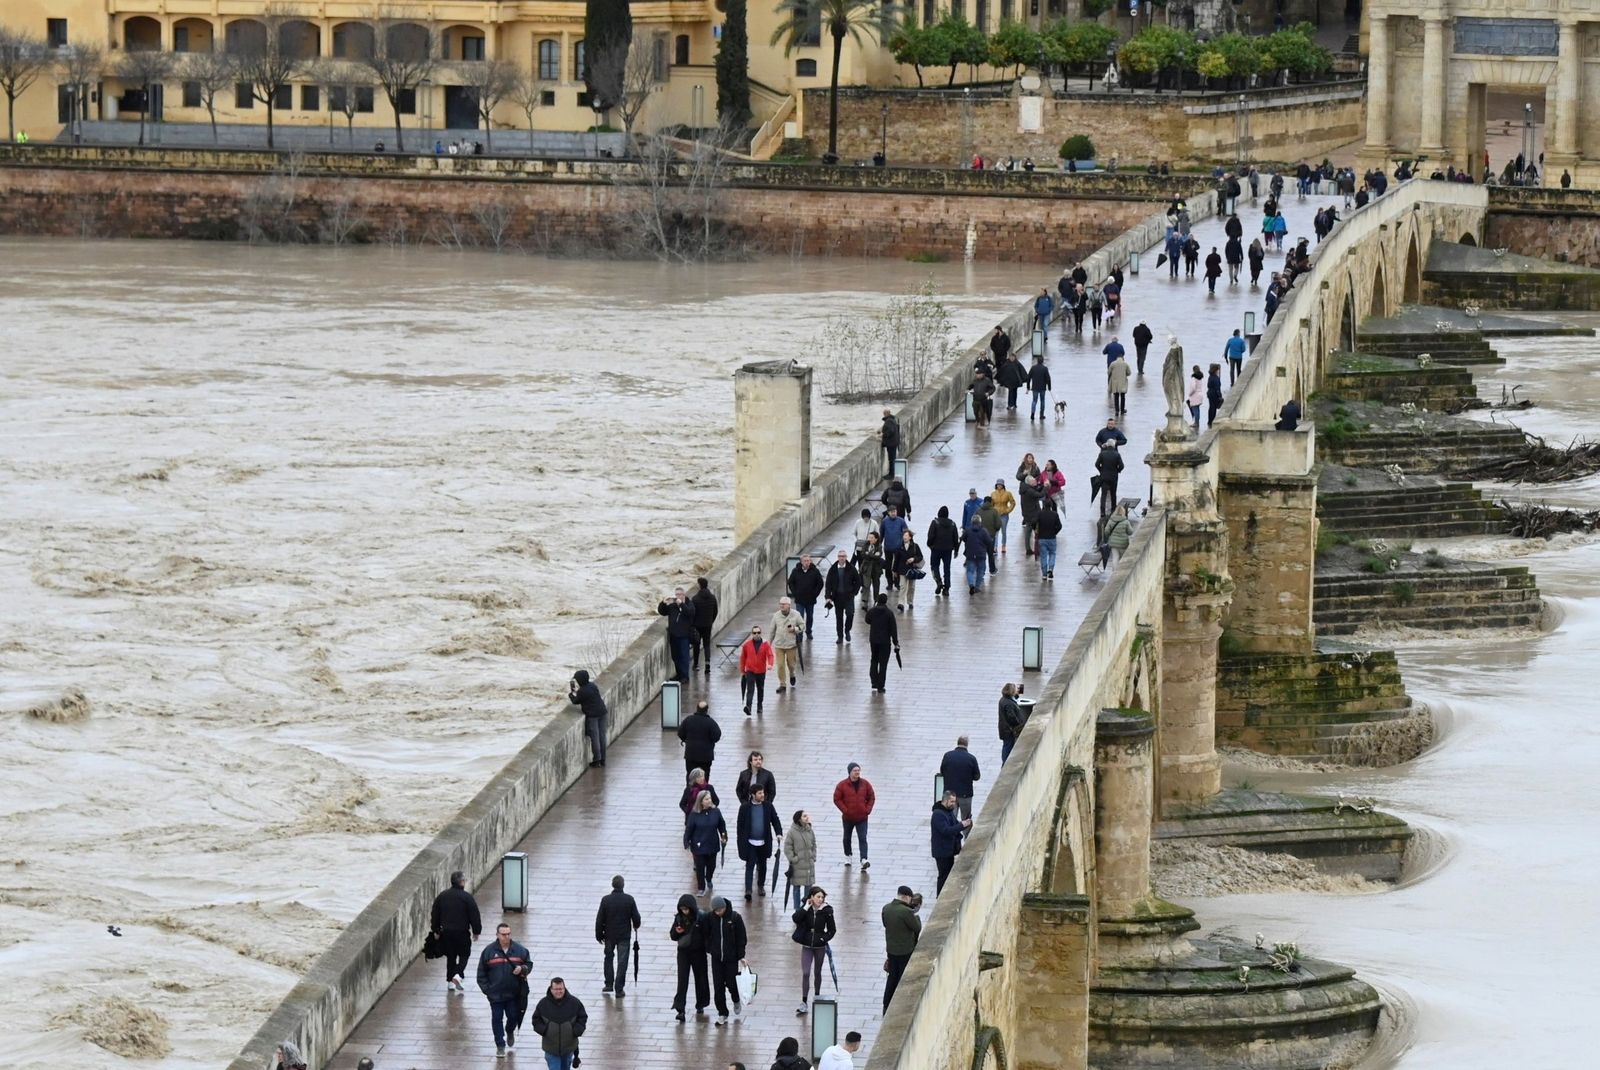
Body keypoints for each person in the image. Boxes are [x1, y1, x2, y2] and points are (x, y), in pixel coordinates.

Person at [477, 922, 532, 1058]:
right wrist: (488, 990)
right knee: (497, 1018)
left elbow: (528, 964)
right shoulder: (489, 951)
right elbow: (481, 973)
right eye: (503, 934)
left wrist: (523, 969)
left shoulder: (520, 950)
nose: (506, 937)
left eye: (508, 934)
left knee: (513, 1016)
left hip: (513, 994)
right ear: (497, 935)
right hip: (495, 995)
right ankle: (500, 1044)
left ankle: (510, 1030)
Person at [431, 870, 482, 994]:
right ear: (462, 882)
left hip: (446, 933)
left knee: (451, 956)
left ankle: (450, 982)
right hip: (462, 933)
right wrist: (476, 931)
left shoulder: (442, 896)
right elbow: (474, 915)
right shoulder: (467, 898)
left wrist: (436, 929)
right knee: (464, 954)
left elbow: (435, 914)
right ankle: (458, 975)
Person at [700, 896, 749, 1025]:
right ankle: (722, 1012)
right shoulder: (710, 918)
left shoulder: (735, 918)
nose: (718, 913)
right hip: (717, 959)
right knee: (718, 987)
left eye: (720, 910)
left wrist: (741, 956)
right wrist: (709, 948)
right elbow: (704, 931)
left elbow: (741, 938)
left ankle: (736, 998)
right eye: (716, 911)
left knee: (732, 983)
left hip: (731, 959)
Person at [791, 885, 837, 1016]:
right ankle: (804, 1001)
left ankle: (817, 996)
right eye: (818, 897)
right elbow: (796, 918)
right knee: (805, 972)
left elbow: (832, 929)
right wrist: (806, 907)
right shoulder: (806, 909)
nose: (820, 899)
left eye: (822, 897)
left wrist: (823, 939)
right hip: (806, 944)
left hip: (819, 946)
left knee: (817, 972)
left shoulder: (827, 910)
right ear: (811, 897)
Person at [595, 876, 641, 998]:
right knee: (622, 962)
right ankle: (619, 989)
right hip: (624, 936)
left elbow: (600, 919)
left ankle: (609, 983)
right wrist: (636, 925)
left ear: (612, 885)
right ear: (623, 885)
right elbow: (636, 918)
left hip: (609, 935)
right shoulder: (629, 899)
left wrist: (598, 934)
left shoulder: (606, 900)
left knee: (608, 958)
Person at [737, 785, 784, 902]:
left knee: (762, 866)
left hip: (764, 843)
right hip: (750, 843)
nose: (762, 795)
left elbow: (775, 820)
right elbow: (740, 826)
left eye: (763, 793)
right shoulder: (745, 807)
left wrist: (779, 833)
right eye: (759, 793)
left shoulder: (768, 806)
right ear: (753, 795)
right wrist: (741, 841)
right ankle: (748, 890)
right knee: (750, 865)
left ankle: (760, 886)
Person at [881, 886, 923, 1011]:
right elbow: (917, 928)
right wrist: (916, 917)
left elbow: (885, 924)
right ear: (907, 897)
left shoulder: (886, 908)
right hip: (905, 950)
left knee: (892, 977)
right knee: (902, 977)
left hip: (891, 950)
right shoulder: (906, 912)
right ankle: (899, 1004)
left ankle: (886, 1003)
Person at [530, 977, 586, 1069]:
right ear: (551, 989)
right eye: (556, 989)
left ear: (564, 988)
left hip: (568, 1047)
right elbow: (536, 1020)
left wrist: (576, 1030)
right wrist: (545, 1030)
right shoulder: (543, 1004)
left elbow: (582, 1017)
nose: (558, 991)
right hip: (551, 1048)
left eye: (561, 989)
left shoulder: (574, 1003)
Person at [669, 893, 709, 1022]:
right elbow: (672, 935)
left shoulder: (701, 917)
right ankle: (680, 1009)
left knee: (701, 978)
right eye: (682, 909)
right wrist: (677, 931)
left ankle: (701, 1004)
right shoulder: (678, 918)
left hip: (699, 952)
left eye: (686, 909)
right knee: (682, 980)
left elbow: (707, 933)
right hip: (683, 953)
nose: (684, 911)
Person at [684, 790, 727, 896]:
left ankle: (709, 878)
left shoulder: (716, 812)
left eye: (710, 799)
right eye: (706, 799)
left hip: (712, 844)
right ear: (701, 801)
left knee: (711, 866)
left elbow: (721, 825)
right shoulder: (694, 815)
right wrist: (686, 841)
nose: (709, 801)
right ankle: (701, 888)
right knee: (700, 867)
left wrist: (723, 835)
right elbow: (689, 829)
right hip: (699, 845)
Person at [833, 763, 875, 868]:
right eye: (855, 770)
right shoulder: (842, 785)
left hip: (862, 817)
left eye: (858, 770)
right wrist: (845, 810)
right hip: (848, 818)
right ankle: (848, 855)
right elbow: (837, 799)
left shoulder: (865, 784)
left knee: (862, 838)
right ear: (850, 772)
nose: (857, 772)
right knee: (847, 838)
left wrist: (867, 810)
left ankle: (864, 859)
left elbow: (871, 797)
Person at [931, 791, 970, 895]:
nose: (954, 804)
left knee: (947, 874)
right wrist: (962, 825)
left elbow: (954, 824)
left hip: (948, 850)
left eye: (954, 801)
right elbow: (946, 831)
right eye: (952, 801)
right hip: (942, 852)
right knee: (943, 875)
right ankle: (940, 896)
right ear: (946, 800)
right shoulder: (938, 814)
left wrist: (964, 824)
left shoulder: (948, 811)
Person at [568, 670, 608, 769]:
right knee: (602, 737)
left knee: (595, 738)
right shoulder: (592, 686)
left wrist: (571, 695)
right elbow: (587, 695)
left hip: (593, 716)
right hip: (602, 712)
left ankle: (596, 760)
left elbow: (576, 701)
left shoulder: (582, 691)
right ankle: (603, 760)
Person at [657, 588, 696, 683]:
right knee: (675, 657)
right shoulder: (673, 606)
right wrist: (663, 603)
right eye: (676, 594)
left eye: (679, 594)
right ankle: (679, 675)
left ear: (684, 595)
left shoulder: (689, 604)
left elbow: (689, 613)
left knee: (684, 657)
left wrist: (681, 604)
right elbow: (662, 612)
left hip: (684, 636)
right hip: (674, 636)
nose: (678, 596)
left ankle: (685, 676)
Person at [939, 735, 981, 822]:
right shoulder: (971, 758)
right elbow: (977, 776)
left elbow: (942, 771)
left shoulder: (947, 756)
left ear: (957, 743)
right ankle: (967, 835)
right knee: (966, 819)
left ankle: (952, 834)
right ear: (967, 744)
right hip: (965, 794)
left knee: (950, 818)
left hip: (949, 793)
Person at [822, 549, 861, 643]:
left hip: (848, 597)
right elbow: (828, 584)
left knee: (850, 614)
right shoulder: (833, 569)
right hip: (837, 597)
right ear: (838, 557)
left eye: (843, 556)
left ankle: (847, 630)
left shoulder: (851, 568)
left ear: (846, 557)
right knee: (839, 618)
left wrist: (854, 592)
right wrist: (828, 597)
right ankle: (840, 636)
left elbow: (858, 581)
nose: (842, 558)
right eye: (840, 556)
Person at [677, 699, 722, 780]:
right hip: (705, 756)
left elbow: (680, 732)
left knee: (690, 775)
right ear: (706, 710)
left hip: (691, 754)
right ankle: (702, 791)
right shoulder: (710, 722)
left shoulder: (688, 720)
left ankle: (690, 791)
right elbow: (717, 736)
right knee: (704, 776)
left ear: (697, 709)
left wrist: (685, 739)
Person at [863, 592, 899, 693]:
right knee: (883, 664)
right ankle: (880, 686)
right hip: (885, 642)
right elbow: (893, 629)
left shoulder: (872, 611)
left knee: (874, 660)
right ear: (886, 601)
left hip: (873, 640)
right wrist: (896, 642)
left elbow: (867, 620)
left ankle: (874, 681)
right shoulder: (889, 613)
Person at [783, 810, 817, 911]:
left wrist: (813, 856)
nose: (807, 818)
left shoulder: (809, 829)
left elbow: (814, 843)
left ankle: (806, 907)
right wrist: (794, 859)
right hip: (798, 865)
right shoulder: (792, 832)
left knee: (808, 887)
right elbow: (787, 847)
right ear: (799, 819)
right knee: (796, 888)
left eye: (807, 816)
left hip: (808, 864)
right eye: (804, 816)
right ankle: (797, 909)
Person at [738, 625, 774, 715]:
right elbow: (743, 658)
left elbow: (770, 655)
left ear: (760, 633)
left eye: (758, 632)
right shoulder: (747, 645)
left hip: (761, 671)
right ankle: (748, 707)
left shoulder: (765, 644)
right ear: (752, 634)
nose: (756, 634)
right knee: (750, 689)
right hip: (750, 671)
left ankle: (759, 706)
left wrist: (770, 664)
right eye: (754, 633)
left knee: (760, 689)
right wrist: (743, 671)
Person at [769, 597, 803, 692]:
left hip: (791, 645)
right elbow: (772, 631)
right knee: (780, 665)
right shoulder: (776, 616)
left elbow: (802, 626)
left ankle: (792, 674)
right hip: (779, 645)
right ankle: (782, 684)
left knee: (791, 665)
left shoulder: (796, 615)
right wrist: (768, 643)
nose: (781, 606)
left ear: (789, 605)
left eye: (784, 604)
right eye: (780, 604)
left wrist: (795, 629)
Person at [925, 505, 959, 596]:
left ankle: (938, 582)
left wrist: (929, 545)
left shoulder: (935, 522)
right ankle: (947, 588)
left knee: (934, 566)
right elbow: (956, 538)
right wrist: (956, 550)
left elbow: (930, 536)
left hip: (936, 549)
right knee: (947, 569)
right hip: (948, 550)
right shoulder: (952, 524)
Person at [691, 577, 719, 676]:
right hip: (708, 625)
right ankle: (707, 665)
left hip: (698, 626)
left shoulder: (695, 599)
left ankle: (696, 664)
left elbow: (692, 613)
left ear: (699, 585)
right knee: (707, 645)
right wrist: (711, 621)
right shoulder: (712, 597)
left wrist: (693, 624)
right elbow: (715, 611)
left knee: (697, 645)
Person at [962, 512, 994, 594]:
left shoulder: (968, 530)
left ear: (972, 522)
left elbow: (963, 538)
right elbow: (989, 541)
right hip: (981, 555)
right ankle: (977, 587)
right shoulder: (984, 531)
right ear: (980, 522)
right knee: (981, 571)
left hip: (970, 554)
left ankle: (971, 585)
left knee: (970, 571)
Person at [894, 528, 924, 611]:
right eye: (904, 535)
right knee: (902, 586)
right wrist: (894, 570)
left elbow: (920, 556)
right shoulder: (899, 547)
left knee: (911, 587)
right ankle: (901, 603)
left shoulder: (915, 546)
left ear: (910, 537)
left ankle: (910, 601)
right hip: (902, 569)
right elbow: (896, 559)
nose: (904, 537)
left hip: (912, 570)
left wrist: (913, 559)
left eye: (906, 536)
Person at [855, 531, 886, 609]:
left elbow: (878, 556)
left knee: (876, 585)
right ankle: (865, 601)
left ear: (876, 539)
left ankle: (876, 600)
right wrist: (872, 555)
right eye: (869, 537)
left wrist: (868, 554)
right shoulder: (866, 544)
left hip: (876, 569)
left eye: (872, 538)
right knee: (866, 585)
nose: (870, 539)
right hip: (866, 568)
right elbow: (862, 554)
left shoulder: (879, 546)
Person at [879, 507, 908, 586]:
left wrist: (906, 544)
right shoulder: (884, 522)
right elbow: (881, 534)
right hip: (888, 547)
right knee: (888, 566)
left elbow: (906, 533)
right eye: (891, 512)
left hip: (898, 547)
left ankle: (897, 582)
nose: (893, 513)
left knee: (898, 565)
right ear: (888, 513)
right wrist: (879, 544)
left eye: (894, 511)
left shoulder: (901, 521)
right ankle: (889, 583)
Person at [998, 682, 1027, 762]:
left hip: (1004, 728)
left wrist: (1017, 694)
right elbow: (1011, 717)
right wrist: (1018, 723)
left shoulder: (1004, 699)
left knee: (1006, 745)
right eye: (1015, 689)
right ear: (1011, 691)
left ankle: (1005, 761)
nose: (1016, 690)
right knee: (1007, 746)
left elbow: (1014, 699)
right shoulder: (1008, 703)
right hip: (1008, 730)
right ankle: (1005, 763)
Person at [1094, 440, 1123, 518]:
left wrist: (1101, 470)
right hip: (1114, 476)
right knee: (1113, 494)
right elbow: (1122, 466)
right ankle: (1113, 510)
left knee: (1103, 494)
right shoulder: (1117, 455)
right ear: (1114, 446)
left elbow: (1096, 464)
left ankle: (1102, 512)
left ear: (1107, 445)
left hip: (1104, 476)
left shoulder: (1102, 454)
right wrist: (1118, 470)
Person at [1035, 499, 1062, 580]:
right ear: (1051, 506)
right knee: (1052, 553)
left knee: (1043, 556)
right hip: (1052, 537)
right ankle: (1050, 568)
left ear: (1043, 505)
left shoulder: (1040, 514)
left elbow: (1033, 522)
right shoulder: (1054, 514)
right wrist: (1055, 532)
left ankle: (1044, 574)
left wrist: (1037, 531)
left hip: (1042, 538)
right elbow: (1059, 526)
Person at [1018, 475, 1043, 558]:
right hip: (1033, 515)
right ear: (1029, 482)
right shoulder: (1029, 491)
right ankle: (1037, 551)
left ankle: (1028, 549)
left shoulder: (1024, 489)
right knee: (1037, 533)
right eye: (1033, 481)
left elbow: (1036, 490)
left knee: (1028, 533)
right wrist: (1046, 488)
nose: (1035, 482)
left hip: (1027, 514)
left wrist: (1041, 486)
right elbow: (1039, 495)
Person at [990, 479, 1016, 555]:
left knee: (1003, 531)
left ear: (1003, 485)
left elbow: (1013, 503)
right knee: (995, 532)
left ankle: (1003, 545)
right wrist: (992, 512)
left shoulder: (1008, 493)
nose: (999, 486)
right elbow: (991, 504)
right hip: (995, 515)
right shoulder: (993, 494)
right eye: (998, 484)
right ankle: (995, 547)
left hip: (1004, 515)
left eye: (1000, 484)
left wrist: (1008, 510)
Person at [977, 495, 1002, 572]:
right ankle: (992, 570)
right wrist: (995, 530)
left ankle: (980, 570)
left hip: (980, 536)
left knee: (981, 554)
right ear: (991, 502)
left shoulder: (978, 510)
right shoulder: (994, 511)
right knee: (990, 554)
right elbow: (998, 524)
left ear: (984, 502)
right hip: (990, 536)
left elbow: (974, 522)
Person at [1026, 353, 1052, 420]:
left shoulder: (1033, 368)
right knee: (1042, 401)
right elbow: (1048, 379)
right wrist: (1049, 387)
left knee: (1034, 401)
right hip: (1042, 388)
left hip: (1035, 387)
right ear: (1043, 361)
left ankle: (1032, 414)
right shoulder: (1045, 369)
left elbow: (1028, 377)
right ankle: (1041, 415)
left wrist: (1028, 387)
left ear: (1037, 361)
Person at [1107, 349, 1131, 417]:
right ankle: (1122, 410)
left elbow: (1108, 372)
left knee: (1116, 397)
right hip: (1123, 382)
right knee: (1123, 397)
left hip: (1115, 383)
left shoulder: (1113, 363)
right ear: (1122, 358)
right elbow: (1129, 373)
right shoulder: (1125, 364)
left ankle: (1117, 411)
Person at [879, 409, 900, 479]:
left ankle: (891, 475)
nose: (883, 414)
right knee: (892, 459)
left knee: (891, 459)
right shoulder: (892, 420)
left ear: (887, 414)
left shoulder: (889, 421)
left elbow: (891, 431)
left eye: (884, 413)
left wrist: (884, 435)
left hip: (891, 443)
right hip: (894, 442)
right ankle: (891, 474)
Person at [1206, 362, 1225, 428]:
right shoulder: (1216, 378)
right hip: (1214, 394)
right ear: (1216, 370)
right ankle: (1212, 421)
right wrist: (1220, 396)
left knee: (1211, 407)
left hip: (1209, 393)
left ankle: (1209, 421)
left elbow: (1208, 385)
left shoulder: (1210, 377)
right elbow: (1217, 389)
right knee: (1213, 408)